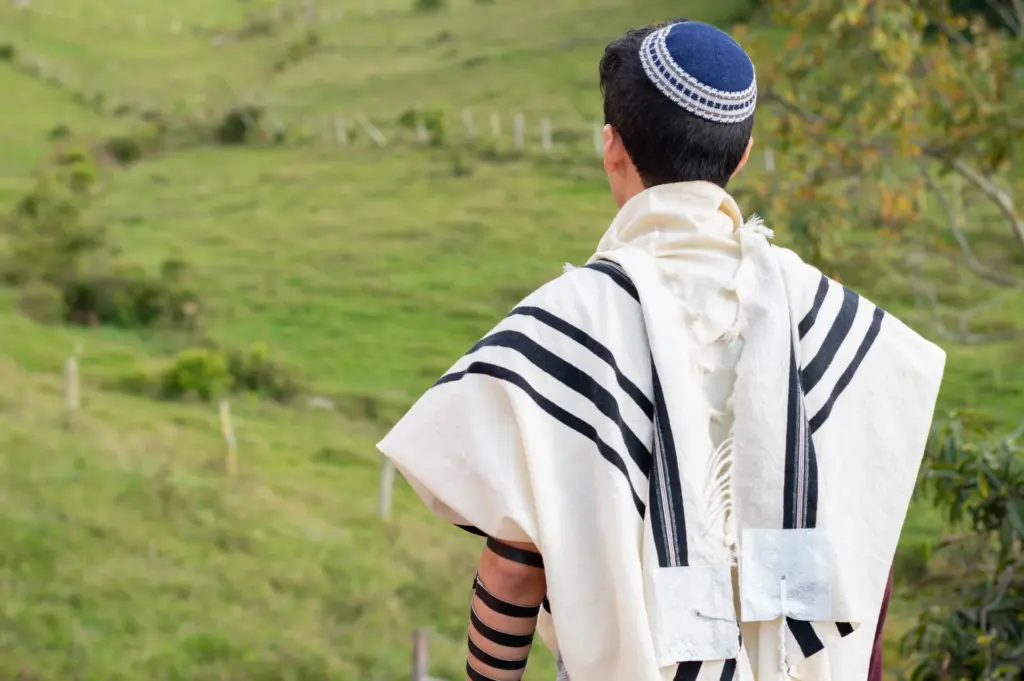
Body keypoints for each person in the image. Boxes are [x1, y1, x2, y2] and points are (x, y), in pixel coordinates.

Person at [378, 19, 945, 681]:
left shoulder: (562, 327)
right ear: (741, 155)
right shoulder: (834, 320)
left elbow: (512, 565)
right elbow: (863, 536)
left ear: (612, 148)